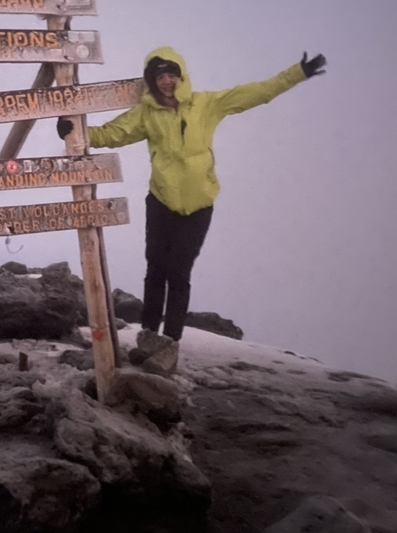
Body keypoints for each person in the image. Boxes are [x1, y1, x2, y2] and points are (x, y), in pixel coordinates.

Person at [57, 45, 326, 375]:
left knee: (178, 272)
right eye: (160, 76)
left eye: (172, 74)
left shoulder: (206, 104)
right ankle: (147, 338)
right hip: (161, 201)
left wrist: (296, 74)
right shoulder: (147, 113)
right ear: (152, 81)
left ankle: (169, 344)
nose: (167, 82)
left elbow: (257, 93)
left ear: (181, 77)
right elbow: (114, 133)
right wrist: (76, 133)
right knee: (155, 268)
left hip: (199, 205)